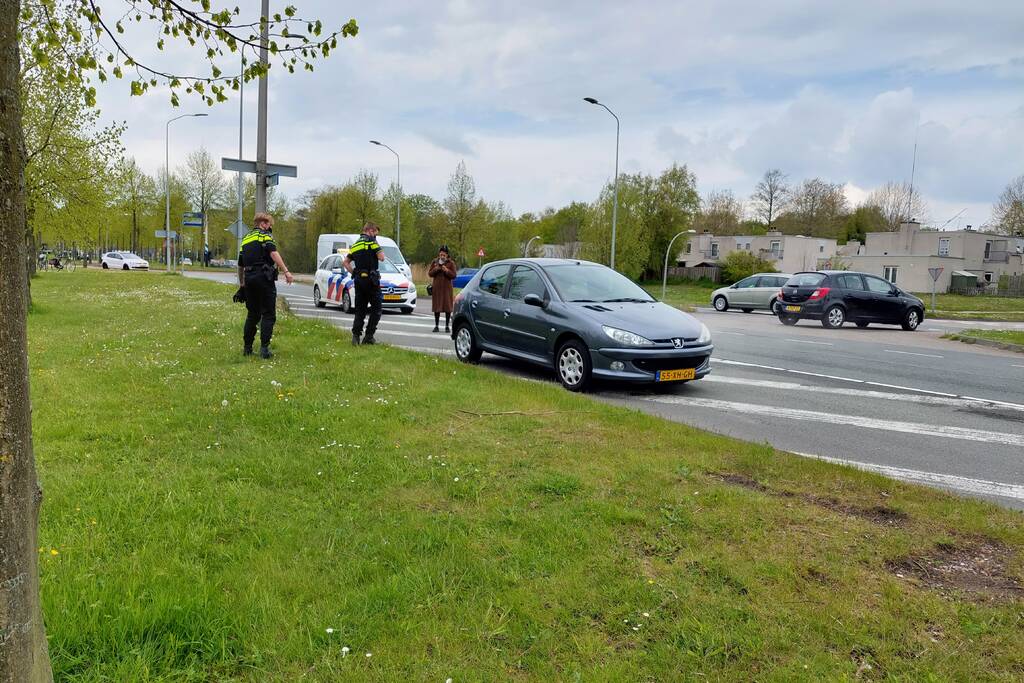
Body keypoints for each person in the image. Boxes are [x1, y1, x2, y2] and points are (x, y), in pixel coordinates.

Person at [237, 212, 294, 358]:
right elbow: (274, 254)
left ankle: (247, 348)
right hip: (264, 278)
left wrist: (242, 284)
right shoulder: (265, 236)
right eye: (269, 224)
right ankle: (264, 349)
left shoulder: (245, 239)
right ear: (263, 223)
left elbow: (240, 265)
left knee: (252, 315)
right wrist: (286, 271)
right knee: (268, 314)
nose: (270, 228)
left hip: (249, 279)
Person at [343, 222, 385, 346]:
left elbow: (345, 262)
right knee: (377, 308)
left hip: (359, 281)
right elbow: (381, 257)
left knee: (360, 310)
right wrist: (376, 244)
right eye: (375, 233)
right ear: (370, 231)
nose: (376, 236)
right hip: (372, 281)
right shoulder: (372, 242)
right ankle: (369, 336)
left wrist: (354, 273)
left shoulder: (355, 244)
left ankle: (355, 337)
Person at [427, 245, 457, 333]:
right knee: (437, 307)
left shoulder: (451, 263)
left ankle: (447, 326)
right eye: (441, 255)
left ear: (447, 255)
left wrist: (446, 270)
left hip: (447, 289)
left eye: (444, 255)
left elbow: (454, 275)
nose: (442, 257)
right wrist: (436, 269)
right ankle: (436, 326)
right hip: (437, 288)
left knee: (447, 308)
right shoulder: (435, 262)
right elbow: (430, 273)